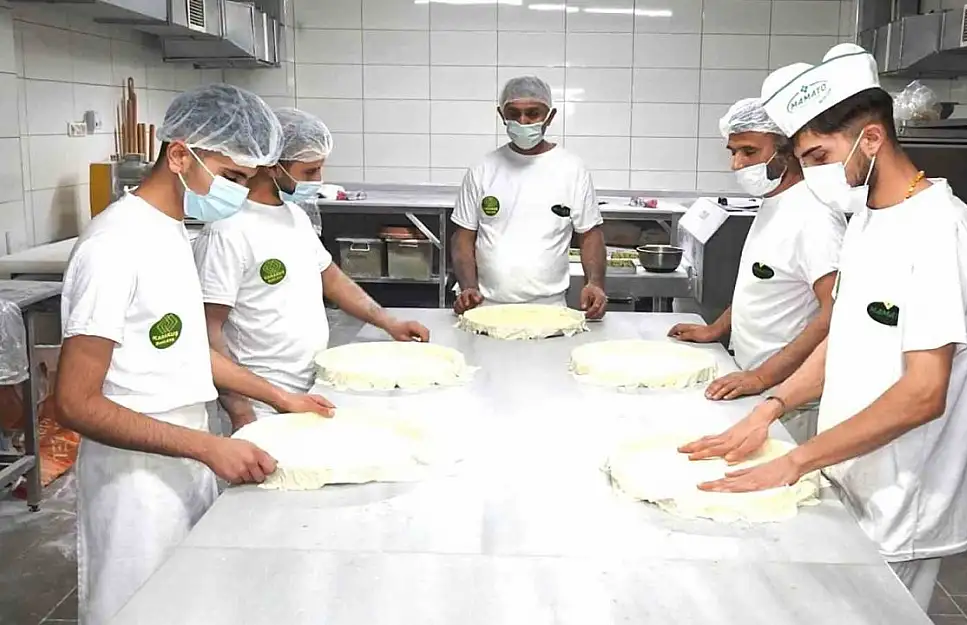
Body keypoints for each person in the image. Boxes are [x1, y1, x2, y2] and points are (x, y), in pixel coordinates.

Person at [680, 44, 967, 610]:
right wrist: (772, 407)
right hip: (846, 475)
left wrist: (796, 458)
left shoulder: (940, 232)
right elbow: (844, 337)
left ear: (871, 139)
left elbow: (924, 394)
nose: (814, 174)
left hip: (903, 501)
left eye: (820, 155)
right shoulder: (869, 220)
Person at [53, 85, 336, 625]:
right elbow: (75, 403)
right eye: (231, 177)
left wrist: (282, 397)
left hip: (184, 451)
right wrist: (206, 446)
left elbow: (189, 349)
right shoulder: (113, 246)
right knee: (138, 609)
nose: (240, 192)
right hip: (133, 478)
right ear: (179, 154)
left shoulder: (172, 230)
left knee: (189, 604)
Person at [193, 107, 429, 429]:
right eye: (309, 172)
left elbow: (330, 278)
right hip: (263, 403)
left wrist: (389, 322)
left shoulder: (294, 216)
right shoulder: (228, 231)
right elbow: (208, 331)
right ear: (273, 166)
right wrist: (240, 409)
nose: (318, 181)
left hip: (310, 386)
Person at [667, 98, 845, 403]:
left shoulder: (815, 216)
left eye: (749, 151)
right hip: (750, 378)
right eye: (733, 152)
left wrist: (763, 377)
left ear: (789, 149)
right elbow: (759, 289)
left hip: (788, 396)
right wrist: (716, 329)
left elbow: (836, 314)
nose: (737, 164)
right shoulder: (773, 202)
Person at [450, 75, 607, 318]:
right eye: (513, 113)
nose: (522, 121)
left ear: (550, 116)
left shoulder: (571, 169)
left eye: (533, 113)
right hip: (486, 309)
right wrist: (468, 287)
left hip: (551, 310)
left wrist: (595, 282)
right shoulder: (482, 170)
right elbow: (463, 238)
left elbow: (590, 235)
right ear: (502, 115)